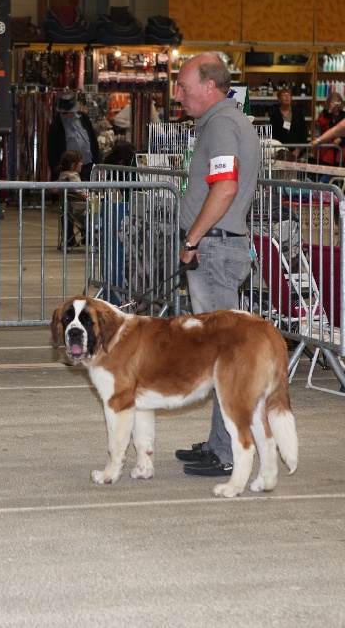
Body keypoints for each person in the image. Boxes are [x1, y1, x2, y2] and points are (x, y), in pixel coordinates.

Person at [173, 52, 261, 477]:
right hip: (217, 249)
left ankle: (227, 453)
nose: (178, 95)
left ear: (210, 86)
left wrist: (192, 239)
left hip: (214, 251)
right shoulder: (223, 122)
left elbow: (224, 188)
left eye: (184, 87)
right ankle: (217, 444)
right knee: (216, 355)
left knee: (225, 357)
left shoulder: (223, 126)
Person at [47, 90, 100, 184]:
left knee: (88, 195)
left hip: (88, 166)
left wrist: (98, 164)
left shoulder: (83, 118)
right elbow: (52, 153)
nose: (68, 115)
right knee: (72, 196)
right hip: (69, 171)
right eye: (65, 113)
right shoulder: (56, 125)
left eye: (70, 112)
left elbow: (93, 142)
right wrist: (56, 174)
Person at [54, 150, 86, 248]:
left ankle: (84, 237)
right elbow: (83, 194)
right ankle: (90, 238)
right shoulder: (74, 178)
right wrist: (95, 198)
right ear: (73, 165)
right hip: (81, 210)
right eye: (80, 161)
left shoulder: (62, 176)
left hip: (68, 211)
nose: (82, 164)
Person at [312, 91, 345, 181]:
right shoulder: (324, 114)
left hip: (341, 150)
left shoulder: (343, 115)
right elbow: (321, 125)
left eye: (338, 102)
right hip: (327, 150)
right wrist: (329, 111)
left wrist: (341, 139)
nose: (336, 105)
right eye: (333, 102)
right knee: (325, 174)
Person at [268, 87, 309, 157]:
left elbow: (304, 132)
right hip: (281, 152)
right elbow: (273, 134)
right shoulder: (275, 114)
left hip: (297, 153)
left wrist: (298, 149)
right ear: (279, 99)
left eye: (289, 95)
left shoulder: (298, 113)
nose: (287, 97)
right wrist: (280, 150)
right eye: (284, 95)